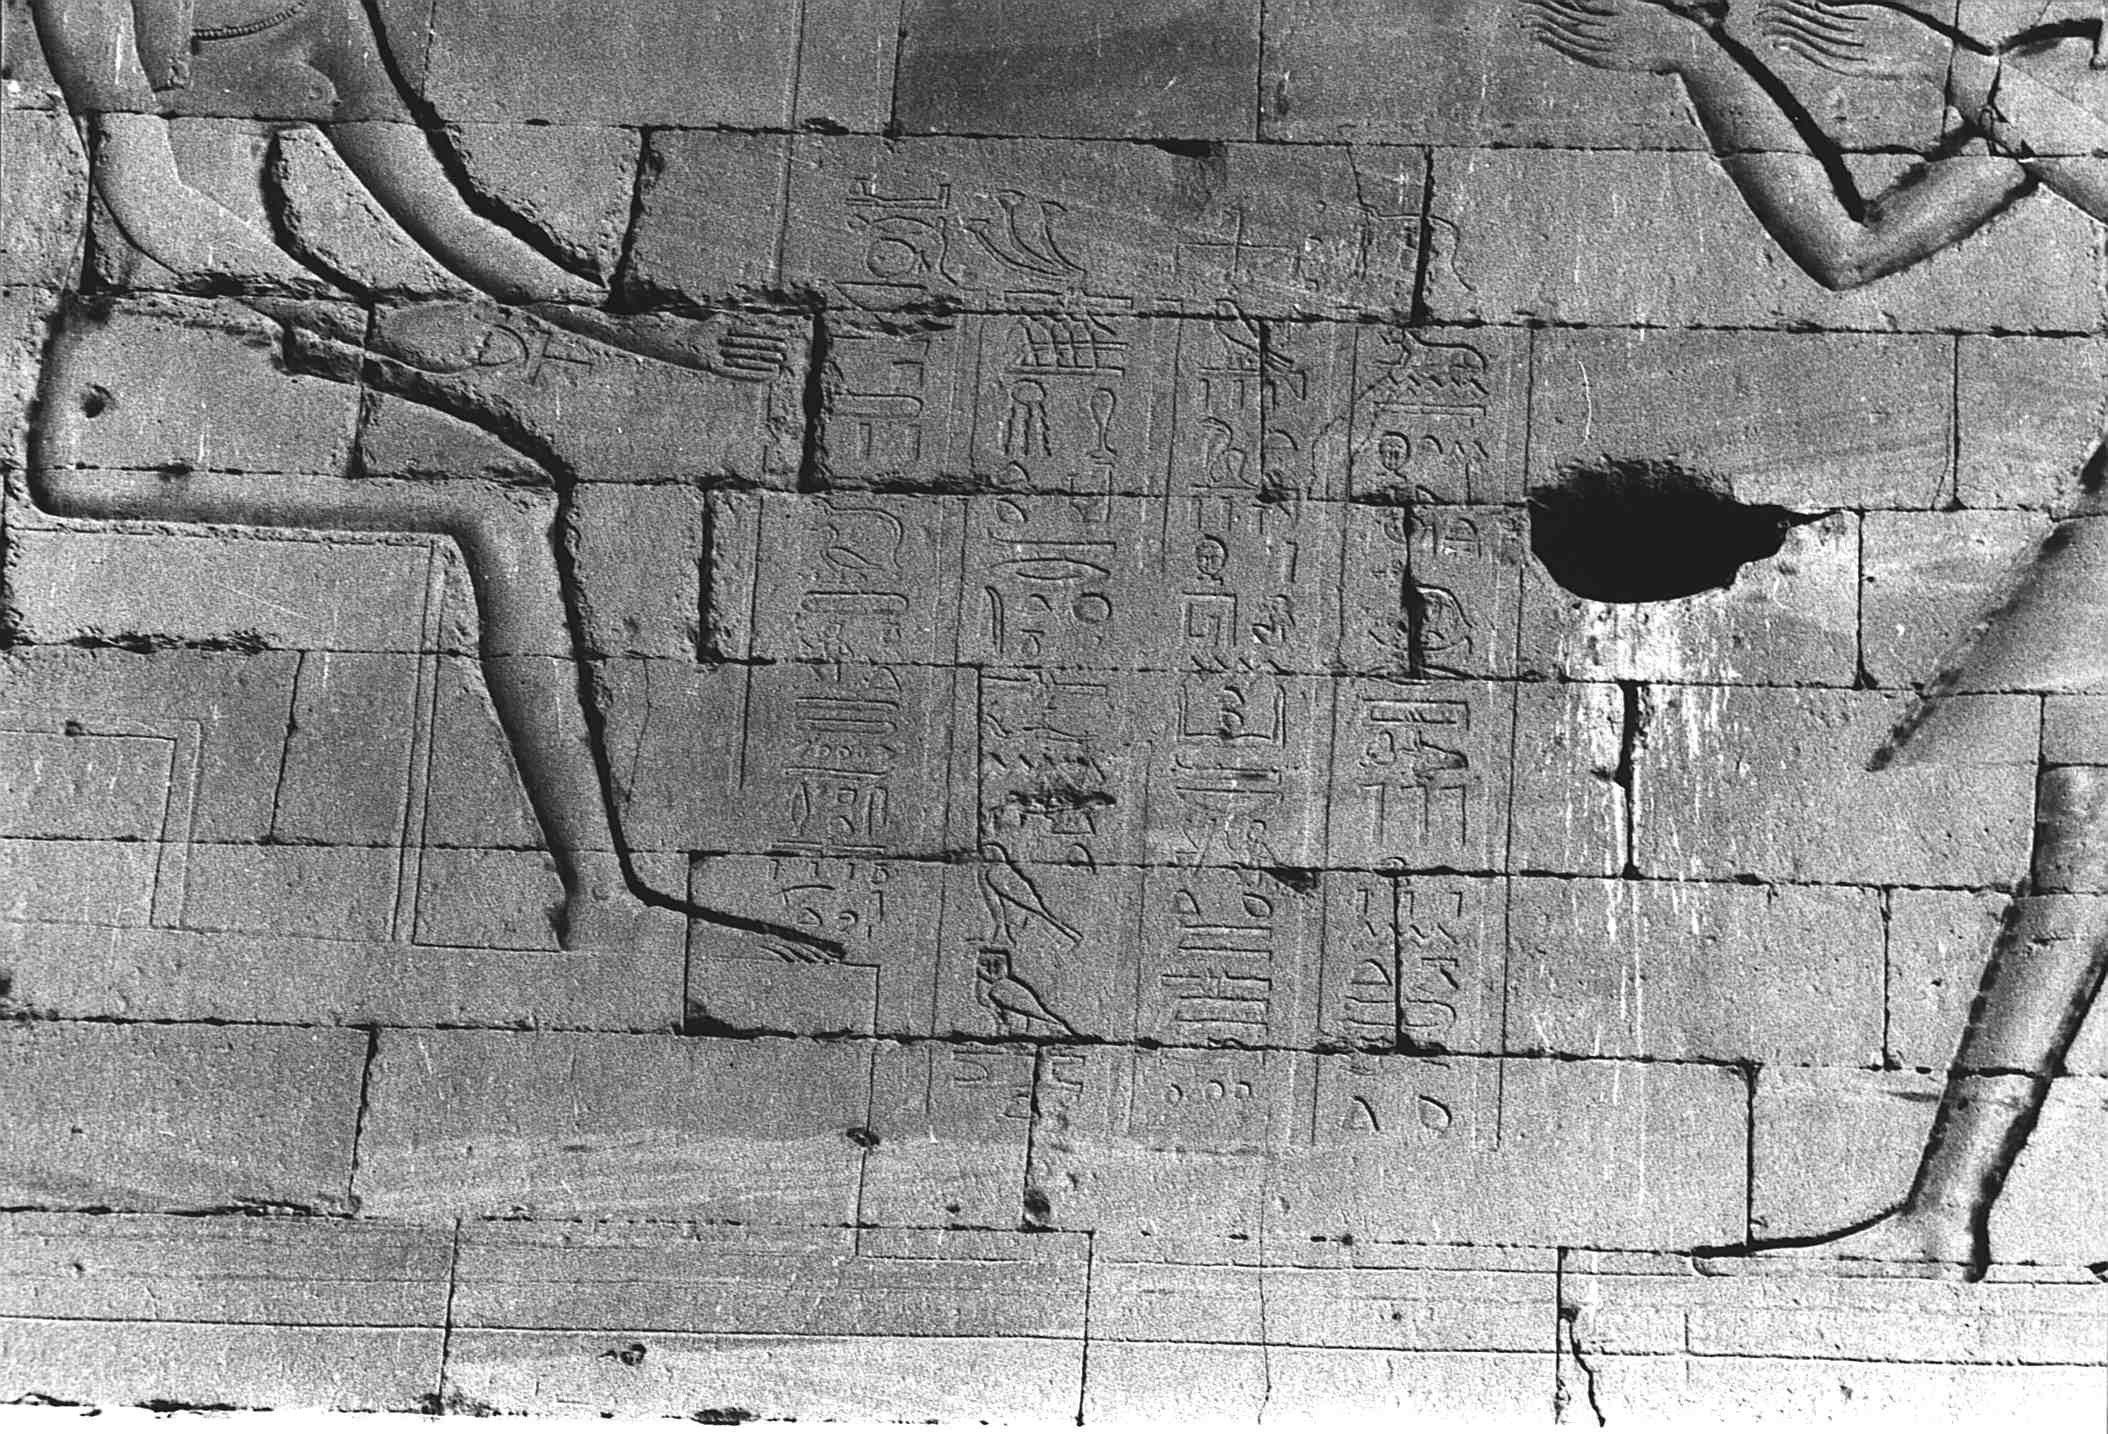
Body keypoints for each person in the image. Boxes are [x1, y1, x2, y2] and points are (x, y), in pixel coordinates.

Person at [27, 0, 835, 957]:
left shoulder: (324, 20)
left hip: (255, 356)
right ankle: (600, 892)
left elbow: (453, 223)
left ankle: (606, 886)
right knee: (496, 506)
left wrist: (645, 329)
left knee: (519, 493)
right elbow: (152, 208)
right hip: (126, 388)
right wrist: (373, 327)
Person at [1527, 0, 2108, 1278]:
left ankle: (1940, 1213)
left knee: (2083, 849)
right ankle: (1938, 1215)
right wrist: (1698, 64)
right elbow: (1848, 250)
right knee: (2080, 850)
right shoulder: (2051, 78)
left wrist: (1943, 67)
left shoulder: (2039, 84)